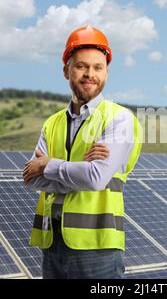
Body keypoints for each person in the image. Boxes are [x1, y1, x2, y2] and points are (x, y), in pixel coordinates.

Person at [22, 26, 143, 279]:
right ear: (66, 70)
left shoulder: (119, 119)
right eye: (81, 66)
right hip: (52, 241)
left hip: (97, 245)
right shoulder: (52, 123)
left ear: (106, 73)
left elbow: (96, 178)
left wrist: (49, 165)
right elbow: (31, 178)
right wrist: (78, 173)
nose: (90, 74)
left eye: (98, 67)